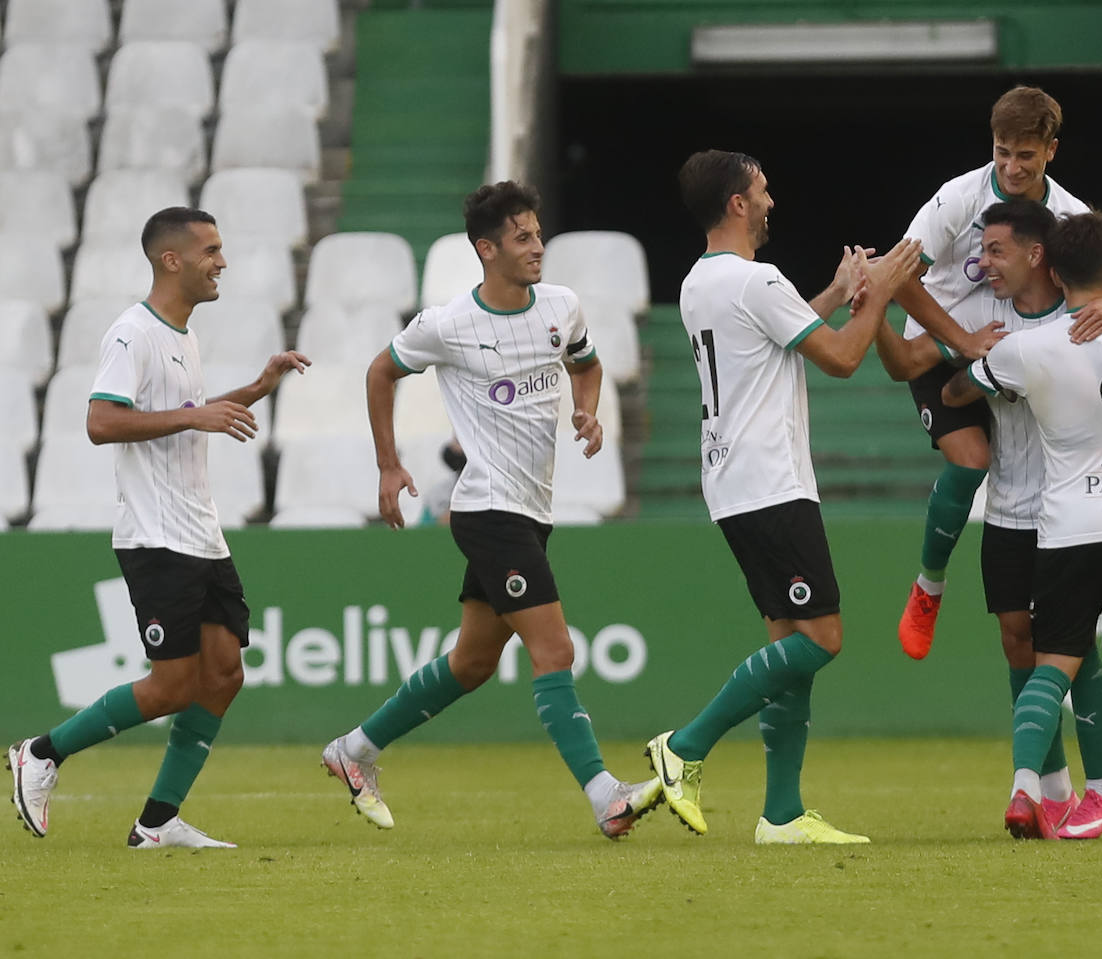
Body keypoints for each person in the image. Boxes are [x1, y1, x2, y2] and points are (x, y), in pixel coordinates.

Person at [321, 181, 662, 840]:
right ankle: (605, 795)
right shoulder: (449, 324)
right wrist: (389, 464)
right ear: (487, 249)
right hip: (487, 509)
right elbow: (378, 373)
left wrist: (587, 406)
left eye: (538, 234)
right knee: (554, 648)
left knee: (472, 663)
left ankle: (354, 749)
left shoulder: (561, 307)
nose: (537, 247)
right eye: (523, 237)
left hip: (532, 511)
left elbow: (585, 366)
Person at [7, 207, 310, 849]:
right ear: (172, 259)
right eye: (211, 250)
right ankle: (41, 752)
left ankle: (157, 822)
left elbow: (190, 415)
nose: (221, 261)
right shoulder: (131, 334)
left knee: (224, 672)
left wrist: (258, 386)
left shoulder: (183, 335)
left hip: (201, 534)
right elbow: (101, 422)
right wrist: (188, 417)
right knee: (173, 685)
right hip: (157, 537)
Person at [645, 149, 923, 844]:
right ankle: (685, 744)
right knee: (821, 639)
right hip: (771, 480)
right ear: (737, 203)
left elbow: (775, 337)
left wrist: (834, 293)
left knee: (787, 646)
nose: (772, 201)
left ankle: (782, 813)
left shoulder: (700, 282)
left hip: (733, 480)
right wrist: (881, 291)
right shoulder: (757, 278)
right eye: (763, 190)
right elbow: (842, 359)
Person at [908, 198, 1102, 838]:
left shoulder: (1059, 336)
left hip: (1066, 519)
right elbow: (908, 368)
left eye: (996, 251)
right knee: (1028, 643)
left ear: (1045, 261)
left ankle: (1080, 791)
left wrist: (986, 372)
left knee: (1065, 656)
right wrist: (961, 343)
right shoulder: (986, 314)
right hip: (1025, 509)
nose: (982, 264)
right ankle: (1071, 794)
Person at [876, 85, 1102, 661]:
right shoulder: (957, 200)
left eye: (1025, 154)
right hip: (944, 340)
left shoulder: (1069, 214)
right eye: (1002, 152)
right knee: (972, 459)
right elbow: (897, 276)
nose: (1011, 166)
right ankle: (928, 586)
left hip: (1020, 343)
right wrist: (962, 341)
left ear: (1051, 150)